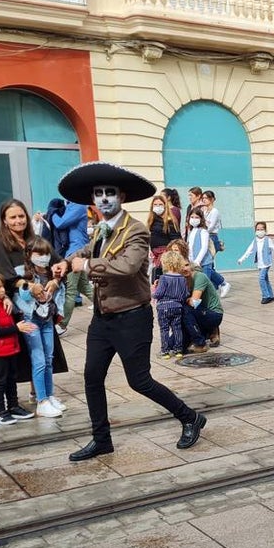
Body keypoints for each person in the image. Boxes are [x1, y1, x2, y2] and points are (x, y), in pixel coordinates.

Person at [62, 161, 207, 461]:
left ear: (122, 197)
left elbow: (127, 267)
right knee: (92, 378)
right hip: (102, 319)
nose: (104, 198)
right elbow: (87, 251)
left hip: (132, 318)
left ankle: (189, 417)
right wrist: (67, 261)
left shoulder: (136, 231)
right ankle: (101, 439)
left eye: (110, 193)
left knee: (139, 381)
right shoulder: (102, 230)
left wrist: (86, 266)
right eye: (99, 193)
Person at [0, 269, 37, 425]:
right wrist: (17, 328)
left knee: (12, 378)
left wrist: (5, 297)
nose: (2, 290)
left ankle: (13, 406)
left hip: (11, 348)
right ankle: (0, 411)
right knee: (0, 381)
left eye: (3, 286)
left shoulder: (2, 300)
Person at [16, 237, 66, 418]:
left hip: (47, 320)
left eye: (46, 254)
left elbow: (59, 295)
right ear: (29, 255)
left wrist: (56, 282)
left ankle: (49, 395)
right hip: (31, 321)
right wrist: (30, 287)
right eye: (39, 254)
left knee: (49, 358)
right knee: (38, 360)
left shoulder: (51, 273)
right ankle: (41, 400)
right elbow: (22, 296)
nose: (43, 258)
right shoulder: (22, 273)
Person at [46, 196, 93, 334]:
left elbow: (60, 223)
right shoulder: (71, 205)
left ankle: (62, 325)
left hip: (76, 252)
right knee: (84, 287)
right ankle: (109, 306)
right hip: (72, 252)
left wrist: (51, 212)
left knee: (70, 290)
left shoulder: (79, 206)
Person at [0, 199, 38, 288]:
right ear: (4, 221)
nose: (18, 221)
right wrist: (31, 287)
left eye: (21, 216)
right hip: (16, 295)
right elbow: (7, 277)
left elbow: (55, 261)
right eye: (13, 217)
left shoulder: (36, 240)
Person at [186, 203, 229, 296]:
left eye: (196, 217)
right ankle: (224, 283)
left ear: (201, 219)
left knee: (204, 283)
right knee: (210, 274)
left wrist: (198, 260)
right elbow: (189, 246)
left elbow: (204, 247)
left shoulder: (203, 231)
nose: (194, 219)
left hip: (204, 261)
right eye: (192, 217)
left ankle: (209, 302)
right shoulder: (191, 231)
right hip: (194, 262)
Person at [153, 250, 189, 360]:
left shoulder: (163, 278)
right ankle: (178, 350)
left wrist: (153, 293)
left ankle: (165, 351)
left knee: (164, 329)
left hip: (163, 307)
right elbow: (185, 294)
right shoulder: (182, 278)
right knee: (177, 329)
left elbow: (159, 293)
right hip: (177, 307)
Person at [237, 221, 274, 304]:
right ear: (255, 231)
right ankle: (271, 295)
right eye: (258, 229)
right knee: (265, 279)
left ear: (265, 230)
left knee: (261, 279)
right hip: (260, 264)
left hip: (266, 263)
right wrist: (241, 259)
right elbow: (249, 251)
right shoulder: (255, 241)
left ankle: (266, 296)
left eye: (262, 229)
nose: (260, 231)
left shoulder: (268, 240)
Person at [147, 191, 183, 282]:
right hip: (154, 254)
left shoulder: (170, 221)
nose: (157, 207)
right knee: (155, 278)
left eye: (160, 204)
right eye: (155, 204)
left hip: (165, 253)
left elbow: (176, 240)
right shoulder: (152, 220)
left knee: (159, 278)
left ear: (165, 206)